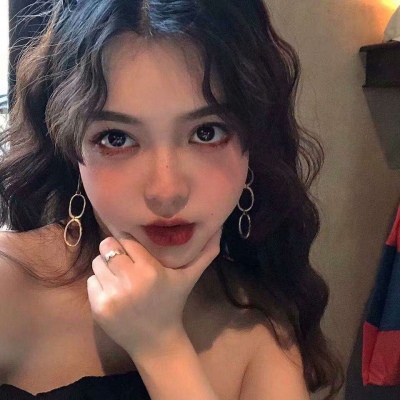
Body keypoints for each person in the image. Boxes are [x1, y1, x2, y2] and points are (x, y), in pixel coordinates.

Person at [0, 0, 344, 399]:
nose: (166, 193)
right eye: (116, 138)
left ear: (254, 144)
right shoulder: (10, 287)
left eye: (207, 132)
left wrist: (160, 348)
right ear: (70, 150)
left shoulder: (260, 329)